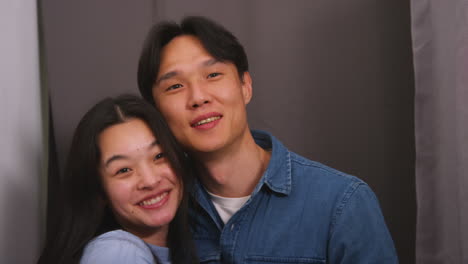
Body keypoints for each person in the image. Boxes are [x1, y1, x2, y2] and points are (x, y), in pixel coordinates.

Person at [138, 16, 398, 263]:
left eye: (213, 75)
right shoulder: (158, 209)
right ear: (155, 111)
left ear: (245, 86)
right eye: (175, 86)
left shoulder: (342, 203)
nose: (198, 97)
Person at [38, 95, 198, 264]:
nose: (150, 181)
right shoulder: (119, 252)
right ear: (100, 190)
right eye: (124, 170)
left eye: (159, 156)